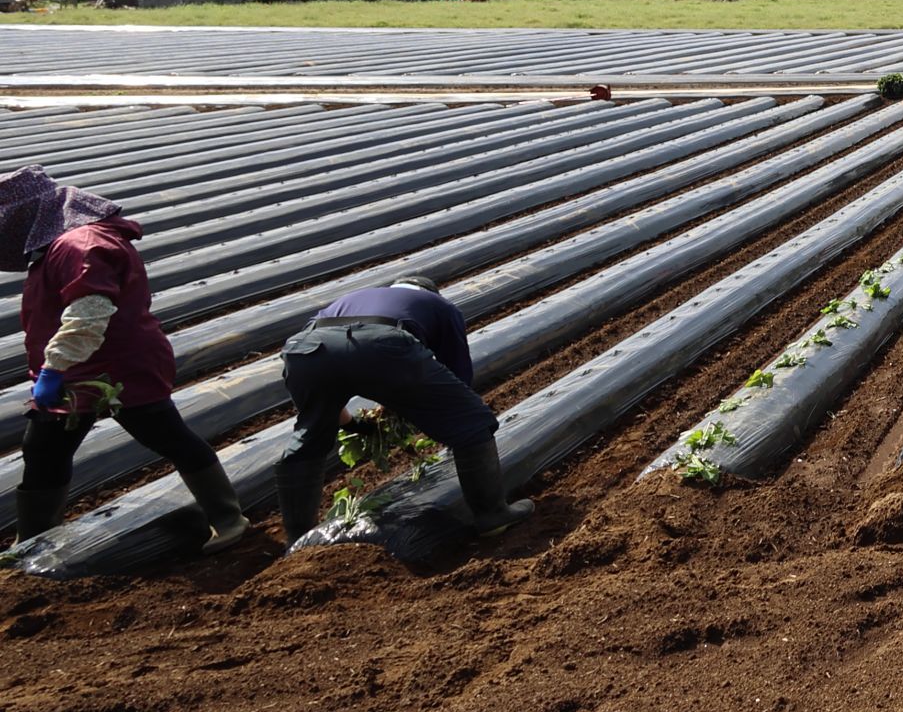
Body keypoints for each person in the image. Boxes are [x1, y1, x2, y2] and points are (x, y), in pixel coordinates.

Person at [0, 166, 247, 550]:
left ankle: (229, 518)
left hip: (118, 366)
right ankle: (31, 541)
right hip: (79, 368)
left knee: (166, 435)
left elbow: (90, 313)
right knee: (42, 449)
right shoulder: (65, 243)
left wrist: (52, 369)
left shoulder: (79, 245)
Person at [275, 276, 533, 547]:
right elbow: (459, 382)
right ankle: (492, 515)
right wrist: (422, 412)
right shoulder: (438, 306)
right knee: (472, 419)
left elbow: (324, 398)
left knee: (309, 439)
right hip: (381, 344)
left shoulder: (354, 299)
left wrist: (357, 426)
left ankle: (299, 539)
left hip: (303, 349)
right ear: (431, 292)